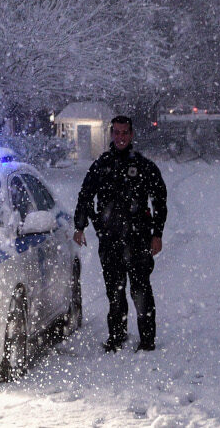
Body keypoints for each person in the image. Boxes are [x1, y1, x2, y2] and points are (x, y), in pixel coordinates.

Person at [73, 115, 167, 352]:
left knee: (140, 290)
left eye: (125, 133)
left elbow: (159, 200)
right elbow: (85, 194)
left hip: (139, 240)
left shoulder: (144, 167)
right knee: (114, 292)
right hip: (110, 240)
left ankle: (147, 339)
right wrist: (80, 225)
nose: (121, 137)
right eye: (116, 133)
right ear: (111, 135)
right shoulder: (102, 165)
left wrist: (157, 234)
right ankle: (117, 335)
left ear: (132, 135)